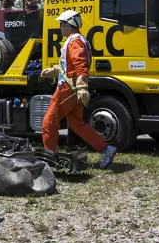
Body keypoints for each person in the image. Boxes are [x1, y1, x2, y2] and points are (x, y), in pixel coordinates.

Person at [40, 10, 117, 169]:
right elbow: (70, 65)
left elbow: (80, 65)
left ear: (70, 25)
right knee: (77, 124)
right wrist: (55, 70)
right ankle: (106, 149)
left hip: (68, 88)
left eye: (62, 24)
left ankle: (48, 159)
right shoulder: (77, 39)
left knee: (49, 122)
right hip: (74, 89)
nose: (60, 27)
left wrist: (82, 86)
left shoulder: (74, 41)